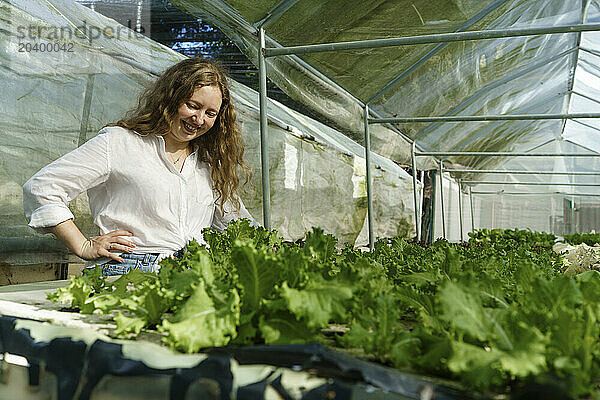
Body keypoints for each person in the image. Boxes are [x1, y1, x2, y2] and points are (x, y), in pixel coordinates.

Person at [23, 58, 257, 275]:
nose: (199, 119)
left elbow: (236, 225)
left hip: (192, 272)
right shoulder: (120, 142)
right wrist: (83, 245)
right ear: (171, 98)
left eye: (210, 113)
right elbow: (42, 188)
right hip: (127, 269)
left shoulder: (209, 162)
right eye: (193, 105)